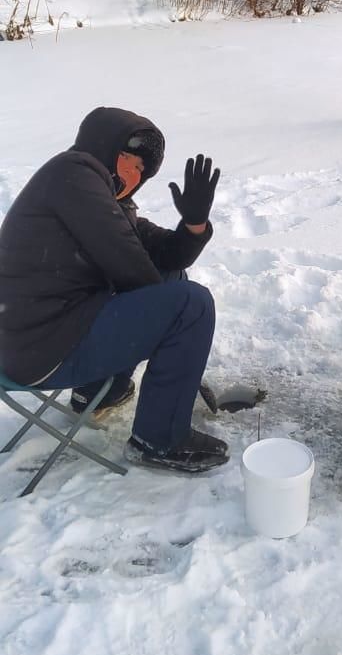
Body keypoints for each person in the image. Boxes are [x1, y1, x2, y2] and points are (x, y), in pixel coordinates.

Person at [0, 107, 228, 475]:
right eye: (129, 159)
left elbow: (166, 256)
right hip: (41, 348)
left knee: (171, 281)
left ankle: (98, 391)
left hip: (49, 335)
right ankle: (159, 440)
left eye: (141, 170)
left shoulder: (98, 197)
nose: (134, 174)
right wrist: (175, 330)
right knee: (191, 304)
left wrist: (194, 223)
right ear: (104, 146)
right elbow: (127, 263)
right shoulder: (73, 173)